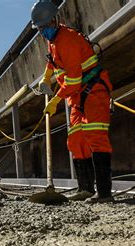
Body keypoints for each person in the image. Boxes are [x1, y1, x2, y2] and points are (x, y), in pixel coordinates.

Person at [32, 0, 114, 202]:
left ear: (55, 20)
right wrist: (45, 78)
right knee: (76, 141)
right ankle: (85, 189)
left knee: (96, 137)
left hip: (93, 91)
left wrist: (55, 100)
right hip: (77, 97)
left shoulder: (68, 40)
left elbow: (74, 81)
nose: (43, 32)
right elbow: (51, 62)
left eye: (45, 27)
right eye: (40, 29)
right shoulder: (53, 40)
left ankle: (104, 193)